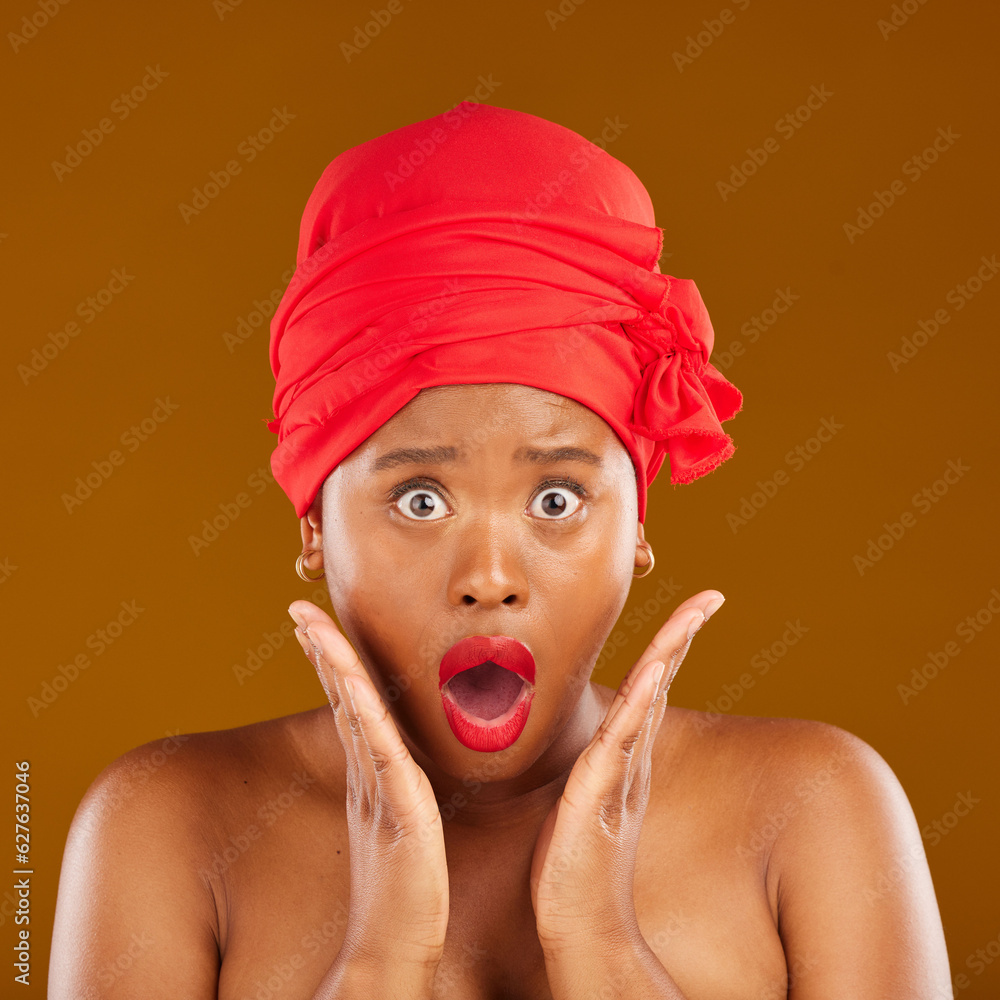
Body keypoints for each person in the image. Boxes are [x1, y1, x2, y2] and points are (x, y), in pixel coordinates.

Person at [49, 102, 951, 999]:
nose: (489, 578)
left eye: (557, 498)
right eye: (420, 497)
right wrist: (378, 958)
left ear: (636, 525)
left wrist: (601, 942)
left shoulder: (817, 813)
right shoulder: (163, 828)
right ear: (314, 526)